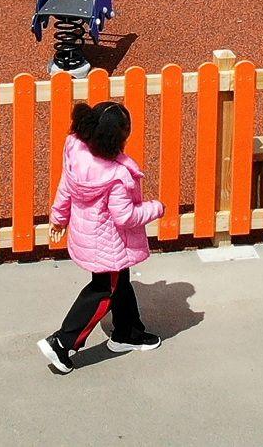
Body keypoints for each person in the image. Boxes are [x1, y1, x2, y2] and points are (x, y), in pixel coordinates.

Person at [37, 101, 164, 372]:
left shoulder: (76, 149)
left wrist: (58, 217)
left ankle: (127, 331)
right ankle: (64, 342)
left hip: (89, 237)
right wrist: (155, 208)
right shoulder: (117, 176)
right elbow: (126, 217)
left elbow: (65, 187)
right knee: (103, 291)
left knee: (120, 281)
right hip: (110, 242)